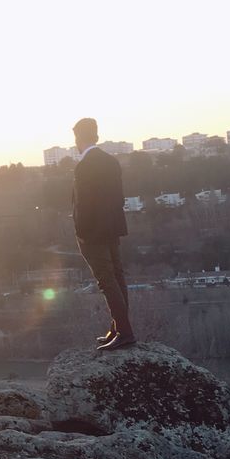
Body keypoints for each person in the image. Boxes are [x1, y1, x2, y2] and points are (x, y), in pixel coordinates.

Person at [71, 117, 136, 351]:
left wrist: (81, 232)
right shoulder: (111, 161)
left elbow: (83, 205)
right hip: (112, 229)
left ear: (79, 138)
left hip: (92, 234)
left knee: (107, 281)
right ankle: (119, 328)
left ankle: (125, 332)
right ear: (96, 136)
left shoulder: (84, 166)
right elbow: (118, 198)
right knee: (117, 278)